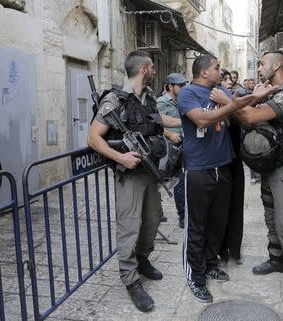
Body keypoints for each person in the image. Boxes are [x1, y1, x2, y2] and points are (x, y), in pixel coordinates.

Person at [211, 51, 283, 300]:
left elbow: (250, 117)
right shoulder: (274, 92)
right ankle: (277, 260)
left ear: (277, 65)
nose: (259, 67)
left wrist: (226, 100)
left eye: (263, 63)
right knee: (270, 217)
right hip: (270, 165)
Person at [87, 50, 181, 312]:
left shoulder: (148, 97)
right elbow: (93, 138)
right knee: (129, 227)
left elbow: (157, 121)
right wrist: (121, 157)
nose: (153, 71)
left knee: (152, 220)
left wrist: (185, 120)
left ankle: (142, 259)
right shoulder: (114, 101)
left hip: (149, 172)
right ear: (142, 70)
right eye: (151, 67)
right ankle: (130, 279)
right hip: (129, 174)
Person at [178, 54, 275, 303]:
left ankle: (210, 263)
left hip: (223, 167)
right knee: (197, 226)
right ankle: (195, 277)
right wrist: (231, 105)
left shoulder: (220, 90)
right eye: (216, 68)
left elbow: (240, 106)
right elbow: (201, 119)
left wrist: (257, 96)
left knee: (217, 223)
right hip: (199, 169)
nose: (221, 72)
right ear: (203, 72)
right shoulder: (188, 94)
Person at [217, 68, 245, 265]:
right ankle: (220, 249)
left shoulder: (234, 100)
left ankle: (233, 248)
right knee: (220, 208)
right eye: (224, 78)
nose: (228, 82)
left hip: (234, 161)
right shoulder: (214, 101)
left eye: (230, 79)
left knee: (234, 206)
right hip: (220, 162)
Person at [156, 73, 187, 228]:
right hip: (167, 148)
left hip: (183, 145)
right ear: (170, 87)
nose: (183, 88)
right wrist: (170, 134)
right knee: (165, 180)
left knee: (180, 180)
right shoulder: (161, 102)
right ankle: (157, 213)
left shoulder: (181, 101)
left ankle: (183, 214)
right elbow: (155, 124)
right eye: (180, 86)